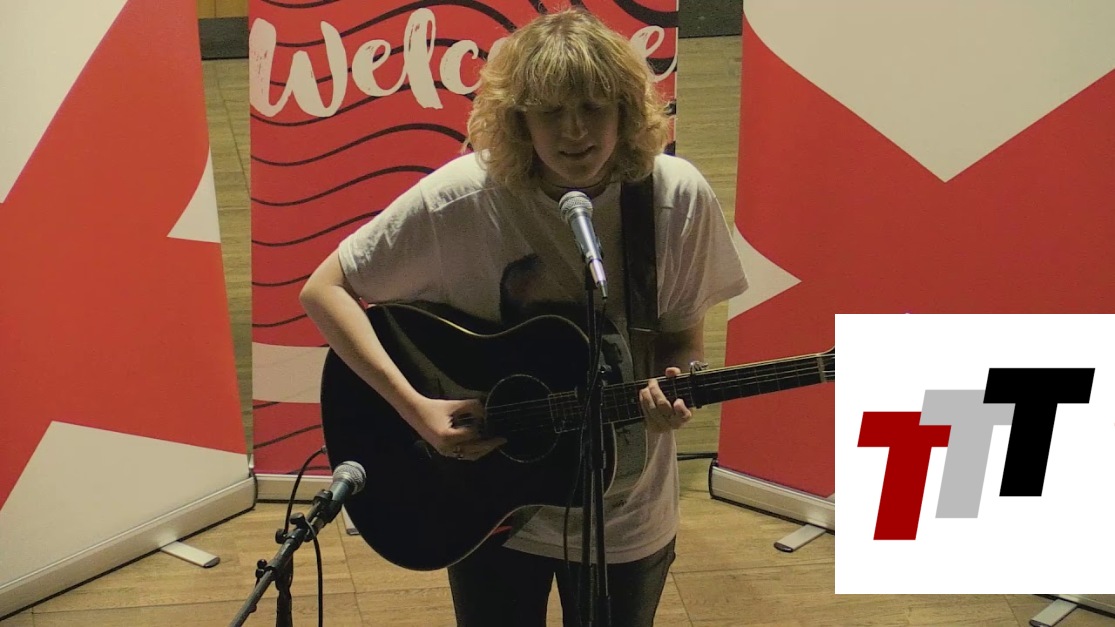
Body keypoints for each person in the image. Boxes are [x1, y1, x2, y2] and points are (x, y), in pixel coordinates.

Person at [300, 8, 747, 626]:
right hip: (486, 504)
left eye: (593, 107)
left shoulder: (673, 197)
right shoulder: (463, 198)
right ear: (517, 119)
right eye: (550, 112)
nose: (574, 132)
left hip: (625, 510)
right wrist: (417, 409)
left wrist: (672, 392)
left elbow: (678, 337)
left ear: (625, 110)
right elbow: (324, 290)